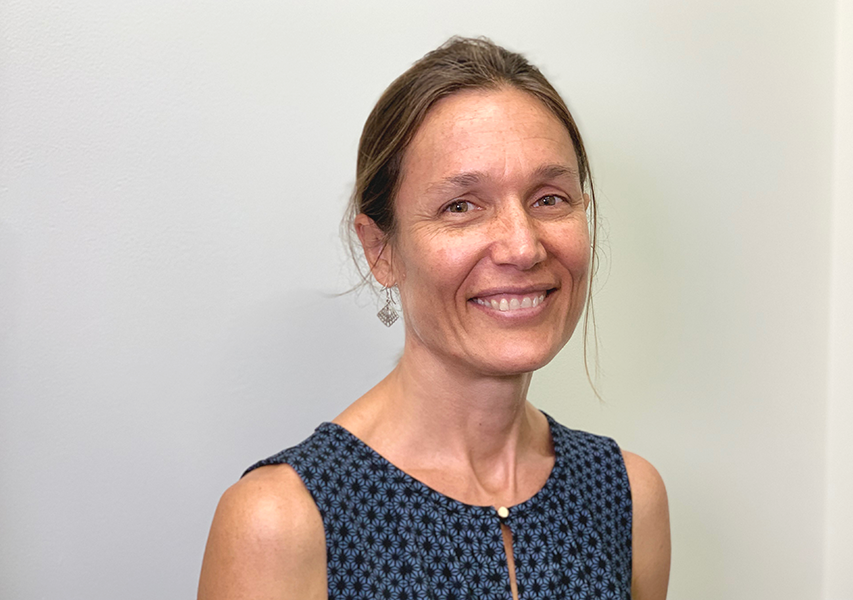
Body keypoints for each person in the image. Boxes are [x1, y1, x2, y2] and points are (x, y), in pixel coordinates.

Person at [198, 36, 670, 600]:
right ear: (381, 250)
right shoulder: (282, 522)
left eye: (549, 198)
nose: (523, 247)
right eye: (461, 206)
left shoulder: (626, 497)